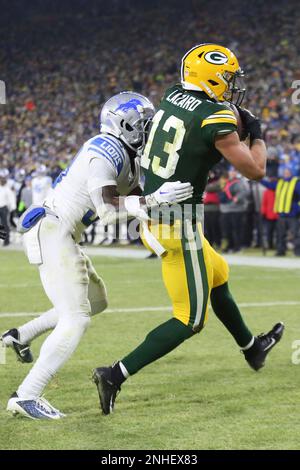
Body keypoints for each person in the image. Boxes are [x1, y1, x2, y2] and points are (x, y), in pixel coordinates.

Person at [93, 44, 284, 415]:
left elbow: (198, 128)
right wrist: (256, 134)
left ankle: (252, 348)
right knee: (190, 319)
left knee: (218, 274)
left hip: (160, 215)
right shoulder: (215, 119)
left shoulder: (172, 95)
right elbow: (255, 170)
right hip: (178, 225)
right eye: (228, 77)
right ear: (209, 76)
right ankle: (114, 373)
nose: (232, 85)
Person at [1, 91, 193, 420]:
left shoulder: (130, 157)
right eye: (143, 125)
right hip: (53, 231)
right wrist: (155, 200)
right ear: (124, 126)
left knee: (97, 301)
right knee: (76, 317)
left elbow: (136, 203)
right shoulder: (104, 150)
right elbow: (107, 211)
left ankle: (20, 336)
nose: (149, 130)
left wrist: (160, 204)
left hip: (64, 235)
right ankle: (27, 394)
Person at [0, 175, 16, 246]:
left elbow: (11, 198)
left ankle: (6, 241)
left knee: (5, 225)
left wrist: (13, 207)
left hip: (4, 208)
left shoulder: (7, 189)